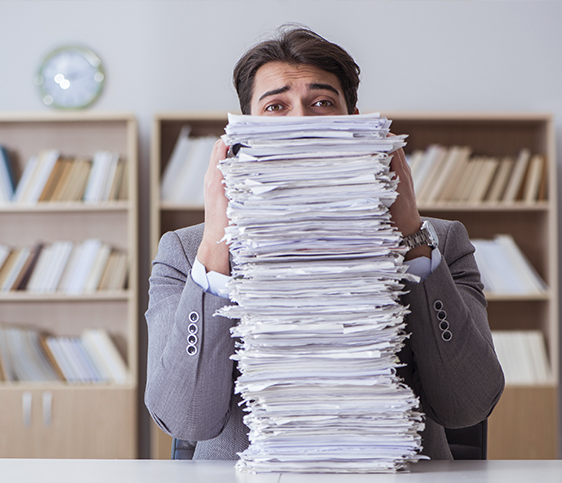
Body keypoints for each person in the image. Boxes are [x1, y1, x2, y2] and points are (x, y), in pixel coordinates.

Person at [145, 26, 504, 460]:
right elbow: (185, 419)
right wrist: (216, 243)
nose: (300, 122)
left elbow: (469, 405)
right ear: (240, 136)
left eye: (321, 102)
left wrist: (411, 237)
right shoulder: (186, 254)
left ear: (355, 124)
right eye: (276, 106)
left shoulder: (441, 242)